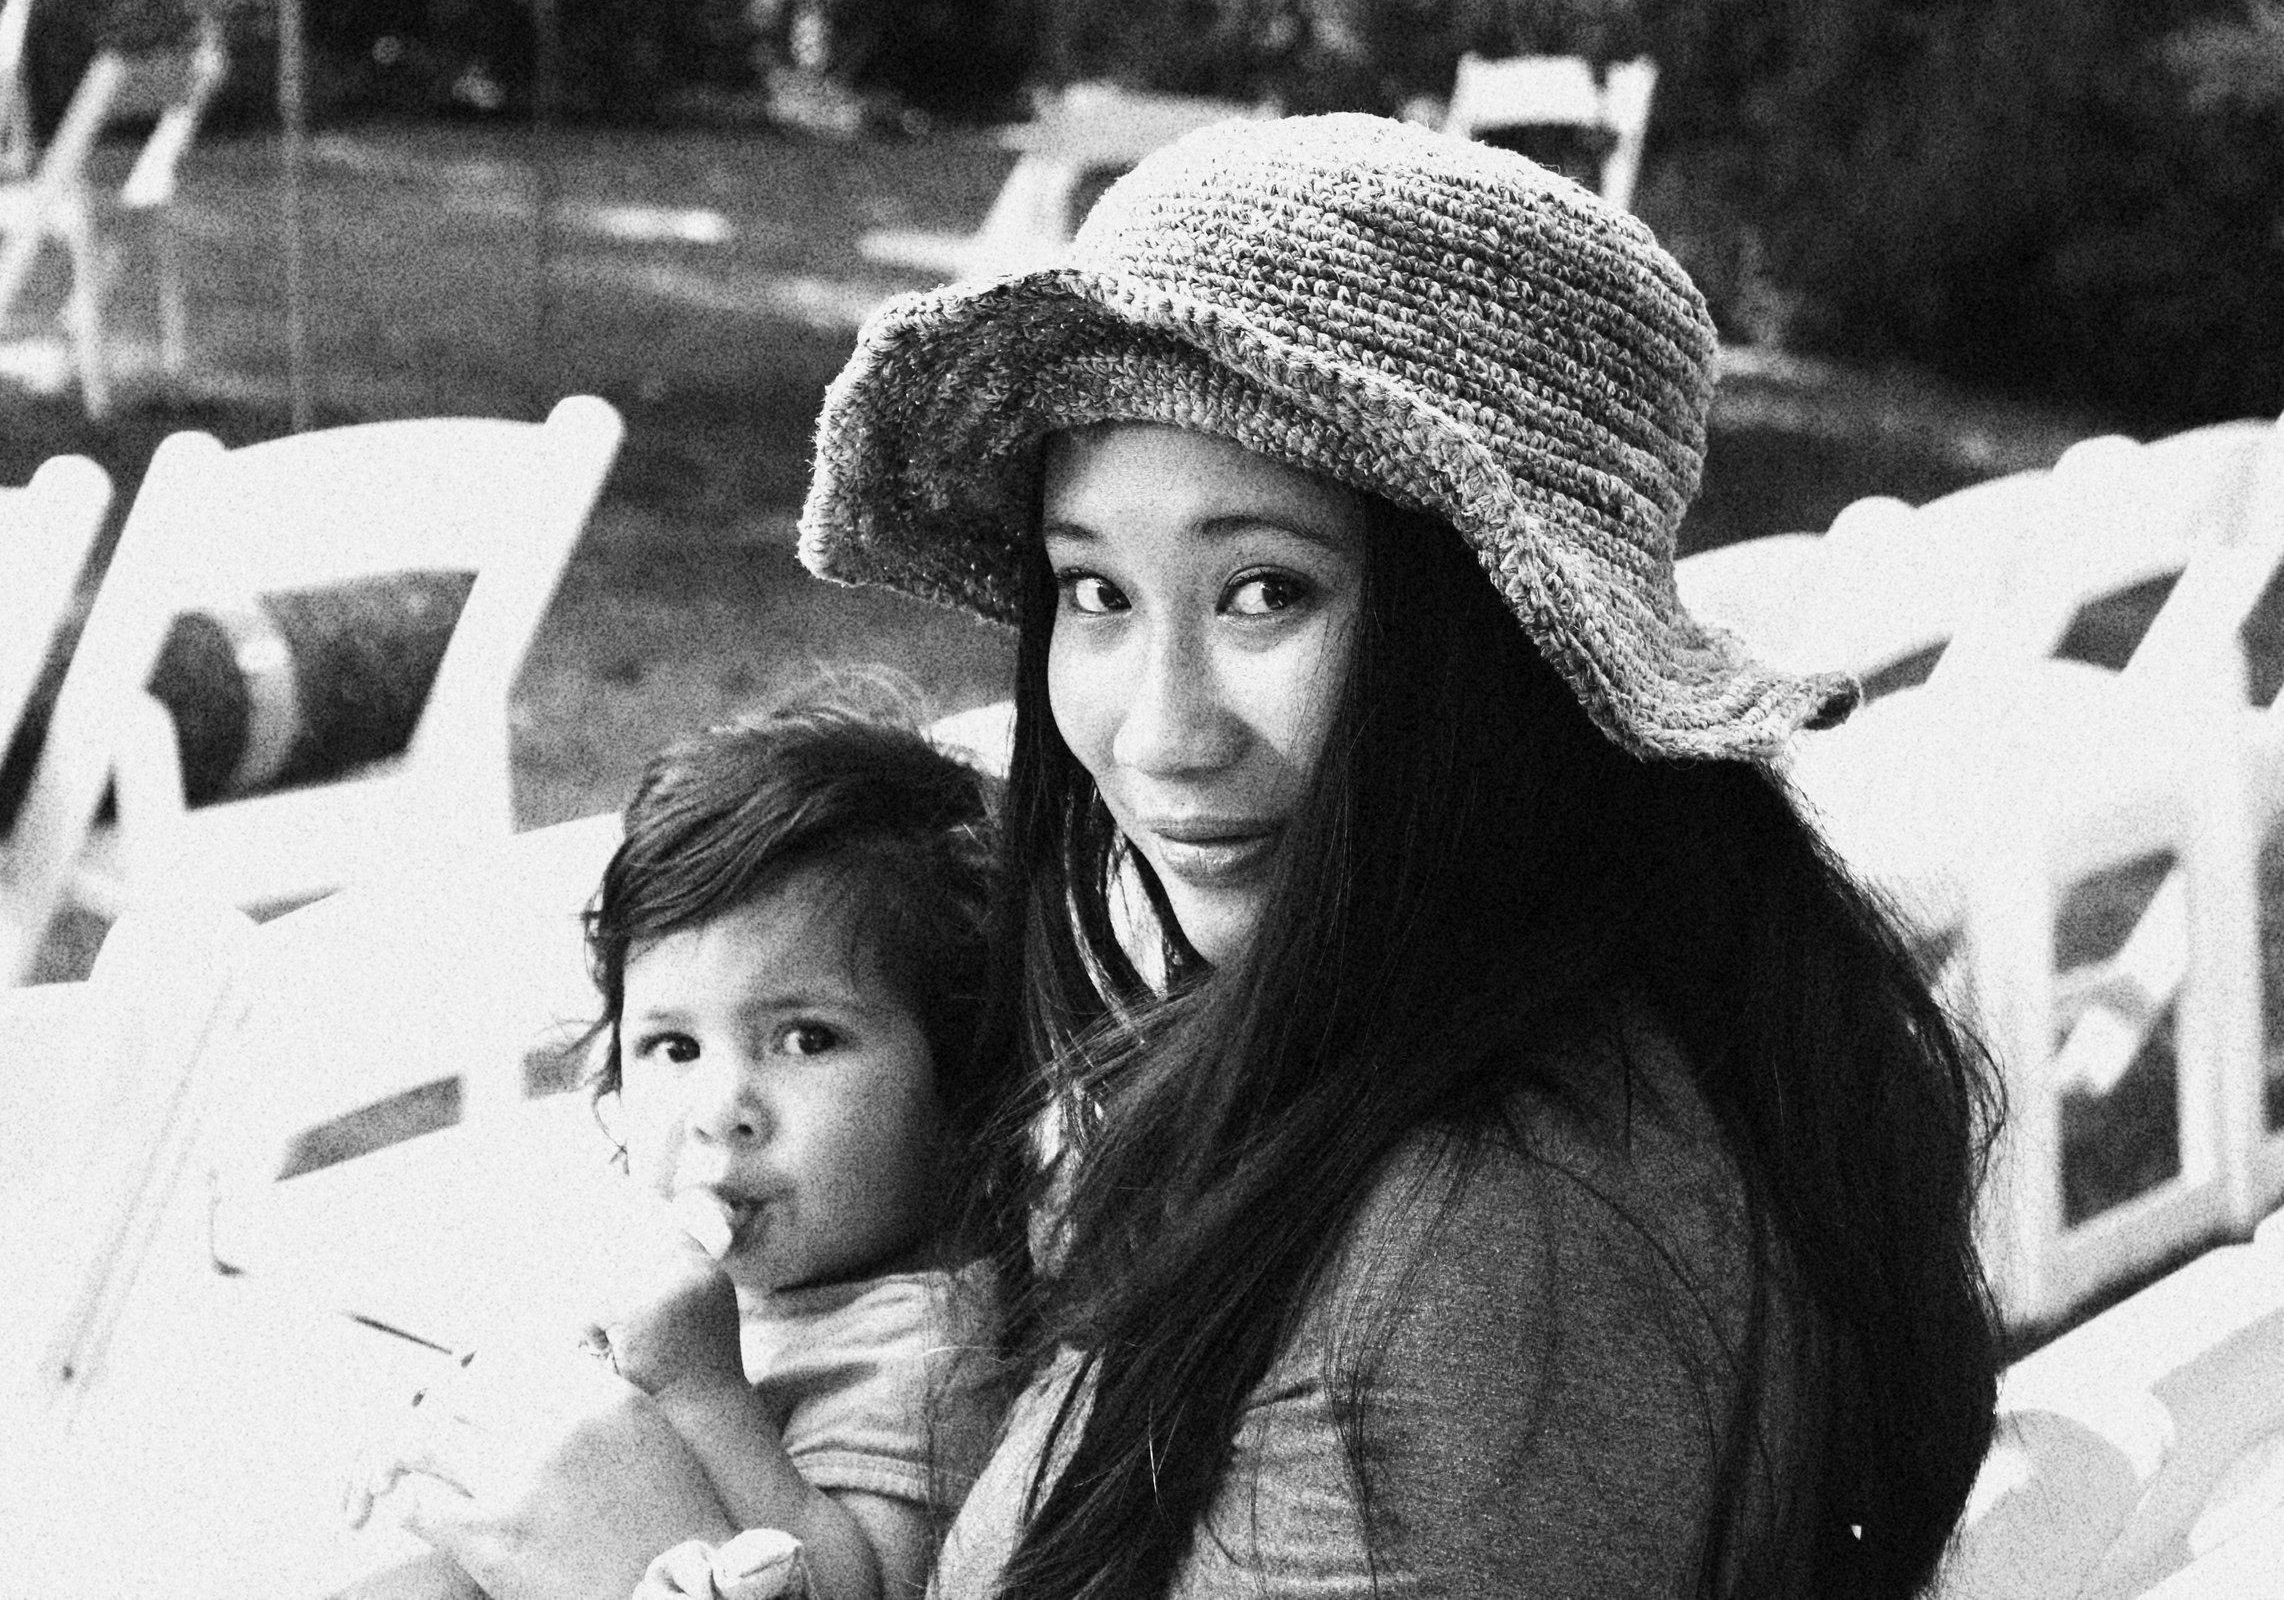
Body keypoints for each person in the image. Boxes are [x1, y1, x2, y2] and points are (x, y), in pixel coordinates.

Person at [360, 112, 2005, 1600]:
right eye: (1096, 590)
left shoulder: (1479, 1246)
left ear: (1497, 635)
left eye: (1265, 590)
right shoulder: (1579, 1022)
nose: (1158, 730)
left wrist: (646, 1560)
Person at [345, 694, 1016, 1600]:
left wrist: (700, 1390)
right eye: (675, 1047)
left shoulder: (932, 1353)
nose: (719, 1109)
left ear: (967, 1082)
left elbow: (863, 1584)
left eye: (805, 1038)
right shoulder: (719, 1285)